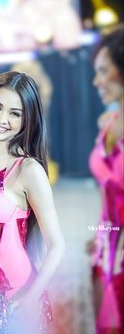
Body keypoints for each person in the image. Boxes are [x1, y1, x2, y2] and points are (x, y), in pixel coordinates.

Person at [0, 71, 65, 334]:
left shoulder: (27, 170)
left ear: (27, 119)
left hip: (13, 299)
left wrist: (31, 297)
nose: (2, 120)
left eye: (15, 113)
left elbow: (57, 245)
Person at [88, 27, 124, 334]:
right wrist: (101, 234)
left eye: (103, 71)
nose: (96, 81)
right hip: (106, 251)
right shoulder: (108, 122)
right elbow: (106, 194)